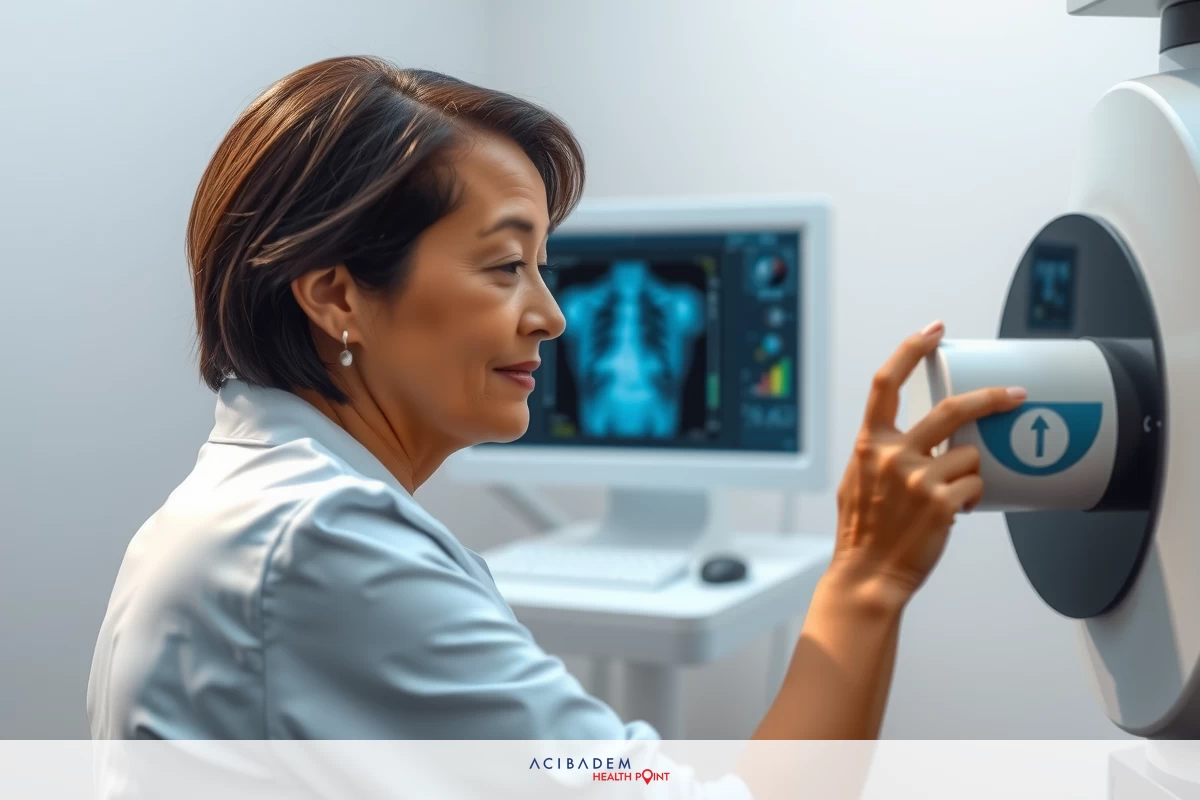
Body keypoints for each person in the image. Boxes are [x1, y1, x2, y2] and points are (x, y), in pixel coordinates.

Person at [87, 57, 1026, 750]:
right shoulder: (324, 544)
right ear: (336, 295)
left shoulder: (253, 513)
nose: (552, 317)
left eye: (543, 266)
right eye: (505, 266)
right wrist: (869, 578)